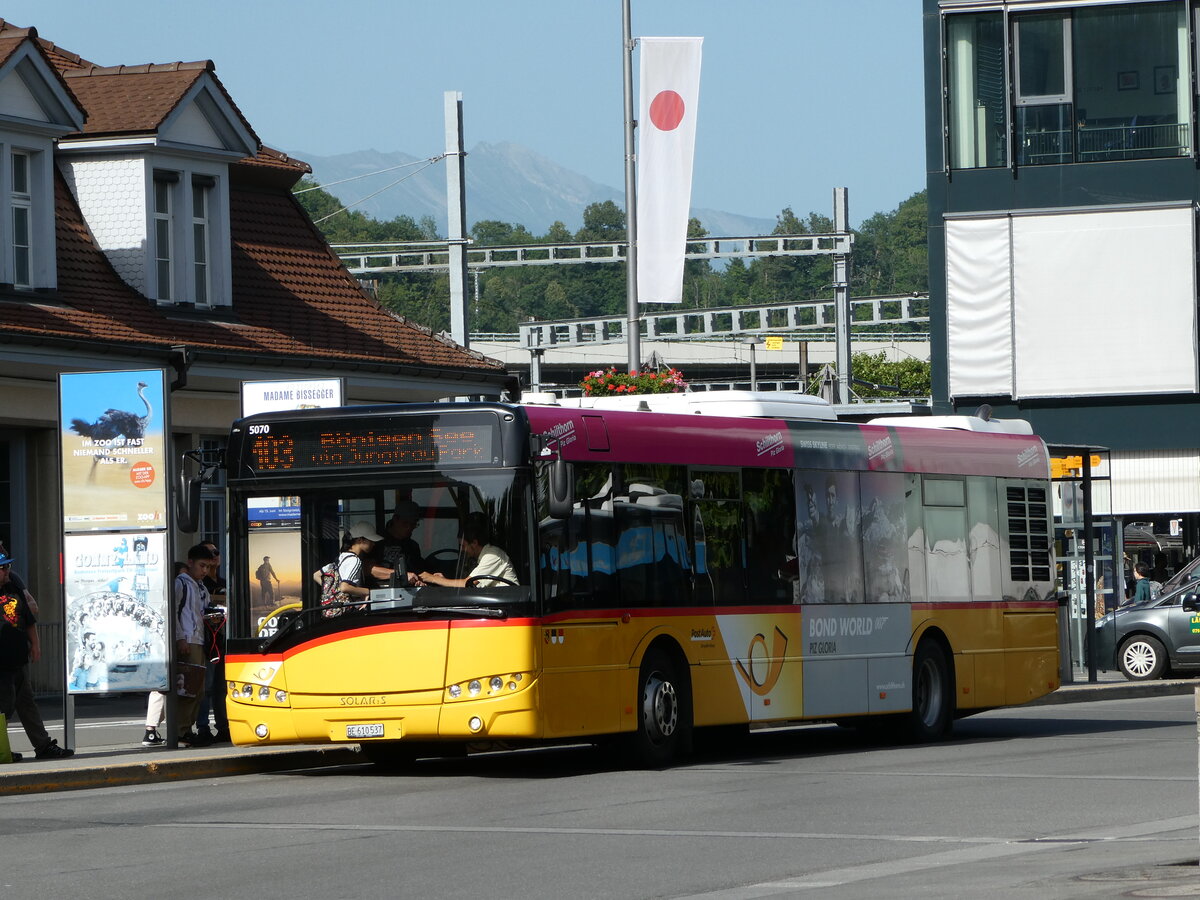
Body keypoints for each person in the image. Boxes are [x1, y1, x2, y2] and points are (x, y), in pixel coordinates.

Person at [0, 539, 72, 759]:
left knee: (26, 703)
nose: (6, 571)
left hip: (17, 658)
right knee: (4, 707)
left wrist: (36, 645)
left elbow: (30, 618)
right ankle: (2, 750)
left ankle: (43, 746)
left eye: (7, 567)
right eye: (2, 568)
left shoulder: (13, 586)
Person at [173, 543, 216, 747]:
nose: (205, 570)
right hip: (188, 640)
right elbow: (173, 612)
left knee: (198, 689)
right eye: (202, 565)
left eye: (208, 566)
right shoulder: (181, 583)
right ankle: (181, 731)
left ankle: (186, 729)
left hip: (199, 639)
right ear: (190, 563)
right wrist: (180, 638)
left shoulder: (201, 587)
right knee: (188, 688)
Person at [419, 512, 518, 587]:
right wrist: (443, 580)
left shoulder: (493, 555)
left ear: (474, 543)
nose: (462, 550)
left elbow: (467, 583)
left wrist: (432, 578)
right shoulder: (481, 557)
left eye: (463, 545)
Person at [195, 541, 229, 743]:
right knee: (206, 686)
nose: (215, 555)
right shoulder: (200, 584)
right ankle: (202, 727)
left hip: (223, 638)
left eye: (217, 552)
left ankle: (223, 726)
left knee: (221, 687)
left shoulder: (225, 581)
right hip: (207, 639)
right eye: (210, 552)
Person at [372, 501, 426, 587]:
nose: (409, 528)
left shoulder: (413, 546)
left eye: (413, 524)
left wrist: (419, 581)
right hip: (382, 590)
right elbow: (369, 569)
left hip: (411, 591)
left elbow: (418, 572)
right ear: (395, 519)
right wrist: (401, 575)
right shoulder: (377, 542)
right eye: (405, 523)